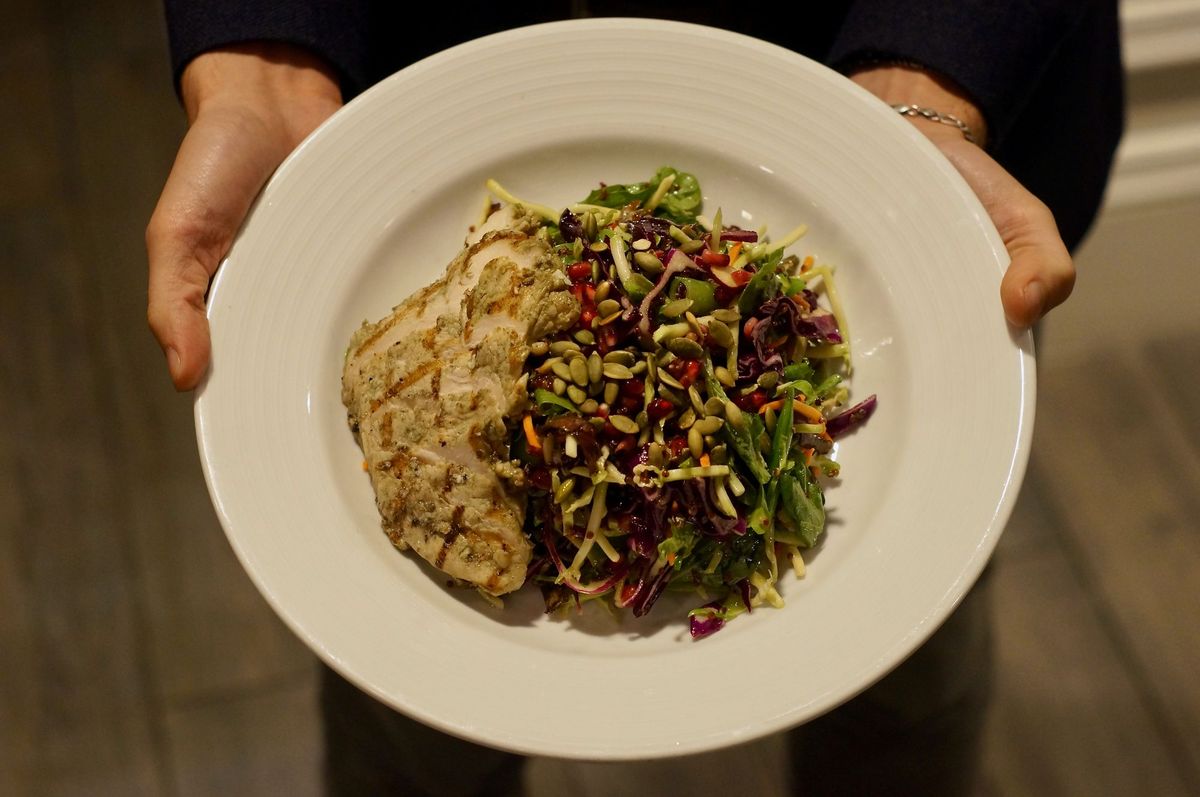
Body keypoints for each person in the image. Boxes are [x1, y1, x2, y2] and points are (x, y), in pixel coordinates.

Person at [147, 3, 1122, 794]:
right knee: (411, 737)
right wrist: (262, 52)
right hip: (415, 75)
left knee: (911, 672)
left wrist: (926, 77)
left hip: (878, 76)